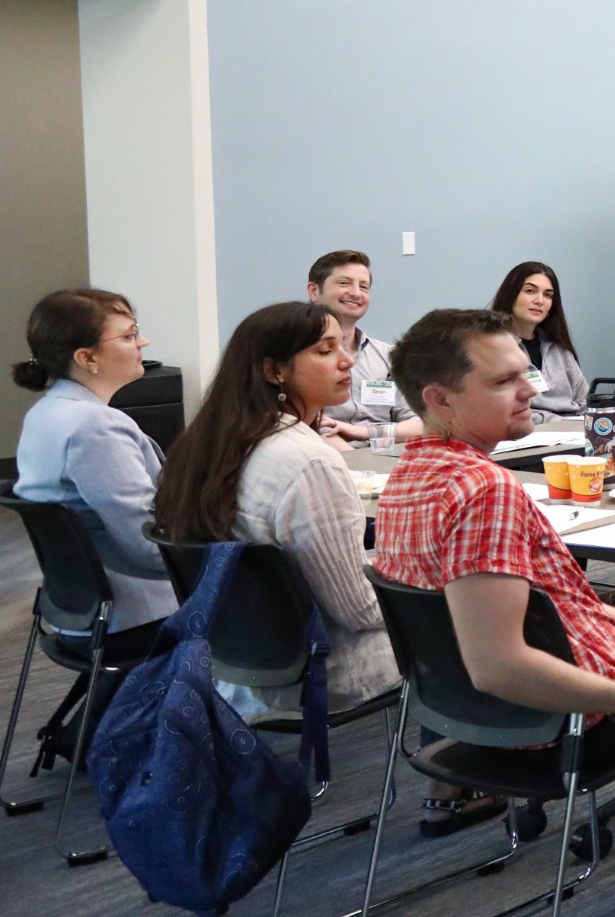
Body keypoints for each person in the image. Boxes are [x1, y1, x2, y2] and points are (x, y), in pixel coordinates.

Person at [371, 308, 615, 904]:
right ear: (440, 399)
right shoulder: (484, 492)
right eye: (503, 382)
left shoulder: (412, 475)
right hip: (557, 720)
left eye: (526, 374)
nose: (530, 392)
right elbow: (497, 663)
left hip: (477, 715)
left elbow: (545, 604)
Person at [150, 302, 398, 719]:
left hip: (235, 663)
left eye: (343, 346)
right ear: (273, 370)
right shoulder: (308, 460)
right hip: (322, 666)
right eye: (325, 350)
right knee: (476, 622)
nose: (348, 360)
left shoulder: (209, 443)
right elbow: (359, 611)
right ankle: (457, 783)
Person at [12, 288, 176, 638]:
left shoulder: (45, 412)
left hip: (80, 610)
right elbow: (148, 544)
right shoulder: (95, 426)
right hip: (135, 611)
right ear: (87, 358)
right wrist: (224, 554)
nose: (143, 341)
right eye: (130, 335)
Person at [308, 249, 422, 444]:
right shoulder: (301, 354)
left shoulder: (388, 355)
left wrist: (365, 432)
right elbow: (310, 427)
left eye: (364, 287)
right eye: (344, 283)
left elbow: (421, 424)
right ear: (314, 291)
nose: (355, 293)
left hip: (385, 459)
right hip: (329, 457)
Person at [492, 260, 591, 417]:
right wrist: (557, 422)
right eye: (530, 291)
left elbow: (585, 401)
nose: (539, 301)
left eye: (548, 295)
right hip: (528, 436)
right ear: (510, 295)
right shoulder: (492, 349)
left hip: (573, 433)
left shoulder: (559, 349)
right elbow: (501, 411)